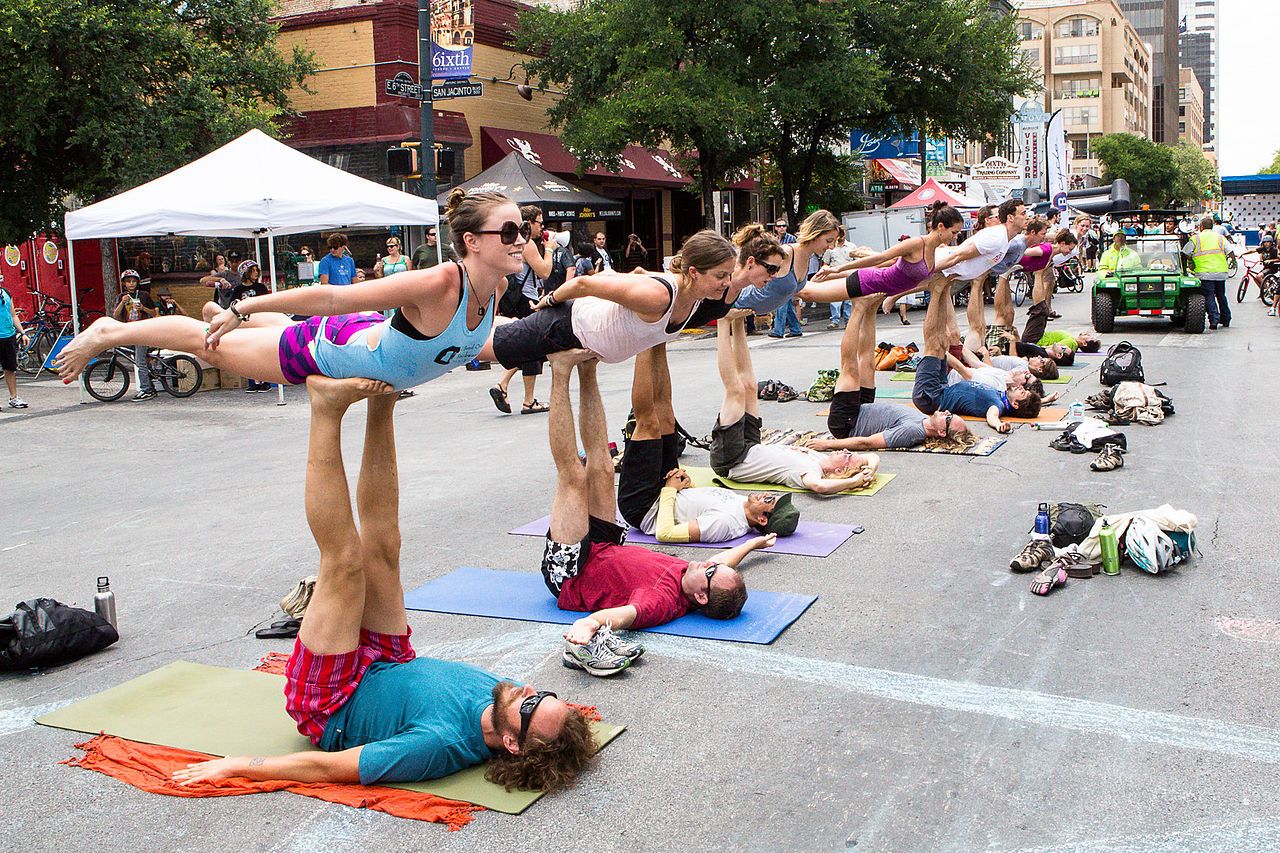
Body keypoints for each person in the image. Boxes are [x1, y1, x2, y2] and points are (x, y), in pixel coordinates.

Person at [172, 376, 595, 790]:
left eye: (532, 704)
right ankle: (383, 403)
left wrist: (241, 765)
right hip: (390, 660)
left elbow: (328, 768)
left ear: (511, 744)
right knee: (385, 549)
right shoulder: (504, 699)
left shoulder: (437, 746)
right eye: (543, 693)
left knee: (345, 565)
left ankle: (324, 409)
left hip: (333, 700)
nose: (527, 689)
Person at [55, 190, 520, 393]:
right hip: (324, 352)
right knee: (210, 346)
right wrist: (243, 306)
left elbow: (492, 336)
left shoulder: (495, 286)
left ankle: (241, 316)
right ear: (472, 242)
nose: (521, 239)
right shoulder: (438, 282)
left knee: (271, 326)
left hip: (364, 335)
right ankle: (110, 331)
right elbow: (332, 299)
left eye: (523, 229)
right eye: (510, 230)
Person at [541, 350, 773, 676]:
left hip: (570, 575)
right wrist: (753, 545)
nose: (705, 563)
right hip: (603, 550)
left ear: (701, 598)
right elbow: (722, 564)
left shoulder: (662, 601)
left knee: (574, 477)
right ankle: (588, 370)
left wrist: (589, 625)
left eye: (708, 572)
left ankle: (560, 370)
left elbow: (626, 616)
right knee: (603, 467)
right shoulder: (696, 577)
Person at [618, 223, 786, 528]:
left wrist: (670, 493)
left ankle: (650, 332)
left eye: (770, 502)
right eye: (771, 270)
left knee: (650, 422)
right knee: (666, 415)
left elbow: (669, 533)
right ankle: (655, 335)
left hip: (645, 504)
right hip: (668, 491)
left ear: (762, 518)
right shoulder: (739, 505)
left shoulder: (728, 525)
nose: (767, 495)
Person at [802, 204, 967, 426]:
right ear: (940, 227)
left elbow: (897, 268)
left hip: (877, 286)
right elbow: (880, 258)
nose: (955, 238)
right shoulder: (916, 244)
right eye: (954, 232)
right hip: (867, 282)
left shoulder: (933, 252)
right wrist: (837, 269)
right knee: (807, 292)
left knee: (812, 294)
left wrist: (894, 297)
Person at [479, 230, 737, 371]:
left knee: (506, 331)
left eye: (729, 275)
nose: (727, 283)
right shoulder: (658, 297)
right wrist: (549, 300)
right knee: (481, 349)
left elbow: (637, 274)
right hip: (565, 327)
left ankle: (499, 319)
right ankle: (461, 320)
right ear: (694, 272)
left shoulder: (695, 295)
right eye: (721, 275)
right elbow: (584, 283)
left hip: (578, 333)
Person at [711, 318, 880, 493]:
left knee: (736, 390)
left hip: (732, 459)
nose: (845, 450)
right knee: (749, 386)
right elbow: (871, 456)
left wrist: (853, 482)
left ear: (839, 471)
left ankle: (723, 320)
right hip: (751, 445)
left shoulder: (811, 472)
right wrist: (871, 468)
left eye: (848, 456)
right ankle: (738, 322)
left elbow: (819, 486)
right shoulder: (818, 458)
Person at [489, 205, 560, 416]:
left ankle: (502, 385)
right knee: (532, 348)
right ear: (529, 223)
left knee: (526, 346)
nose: (542, 228)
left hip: (520, 299)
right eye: (540, 223)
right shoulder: (527, 243)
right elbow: (545, 272)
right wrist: (549, 249)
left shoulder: (516, 242)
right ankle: (528, 401)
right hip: (527, 301)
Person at [733, 210, 839, 338]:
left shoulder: (807, 258)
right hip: (737, 303)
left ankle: (786, 329)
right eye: (829, 241)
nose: (831, 246)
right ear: (815, 235)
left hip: (746, 309)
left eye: (834, 241)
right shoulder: (786, 253)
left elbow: (804, 290)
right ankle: (782, 329)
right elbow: (744, 266)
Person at [111, 269, 159, 401]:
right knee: (141, 359)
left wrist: (143, 308)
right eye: (128, 282)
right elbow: (115, 315)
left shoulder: (143, 295)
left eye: (133, 281)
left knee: (139, 362)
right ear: (124, 284)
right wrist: (122, 302)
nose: (131, 284)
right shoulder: (121, 297)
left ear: (137, 282)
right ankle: (151, 384)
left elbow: (154, 312)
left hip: (142, 331)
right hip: (129, 331)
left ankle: (146, 390)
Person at [1184, 215, 1231, 329]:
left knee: (1209, 296)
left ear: (1201, 227)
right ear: (1212, 226)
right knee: (1221, 296)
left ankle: (1214, 320)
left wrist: (1191, 260)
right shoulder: (1220, 238)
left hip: (1204, 273)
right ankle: (1226, 319)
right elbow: (1230, 251)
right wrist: (1232, 261)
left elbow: (1185, 252)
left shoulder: (1196, 238)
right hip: (1220, 272)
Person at [0, 279, 29, 409]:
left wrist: (22, 333)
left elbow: (13, 315)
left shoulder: (5, 292)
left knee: (10, 368)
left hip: (9, 336)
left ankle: (14, 398)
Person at [822, 226, 855, 329]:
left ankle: (848, 321)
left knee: (849, 299)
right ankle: (834, 321)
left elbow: (857, 261)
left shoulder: (851, 247)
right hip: (835, 277)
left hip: (849, 276)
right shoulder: (830, 248)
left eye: (842, 233)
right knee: (835, 299)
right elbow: (825, 263)